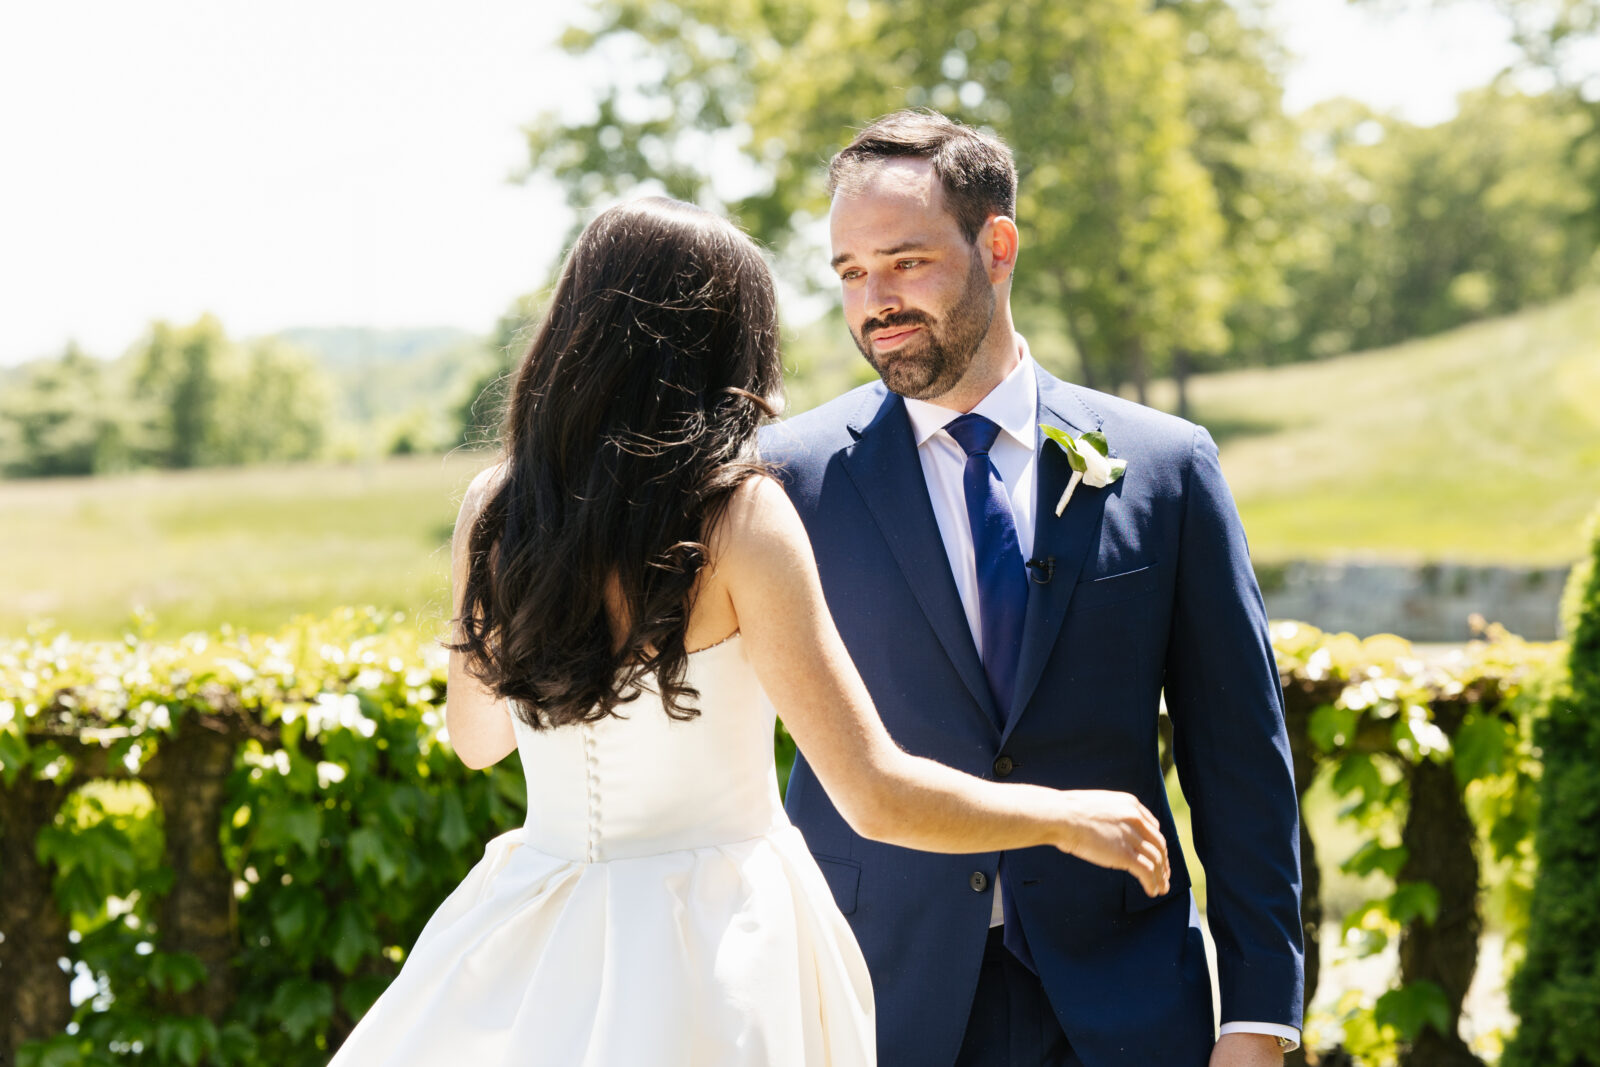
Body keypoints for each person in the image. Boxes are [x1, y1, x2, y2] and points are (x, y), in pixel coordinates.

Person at [328, 196, 1173, 1066]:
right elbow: (874, 794)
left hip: (538, 925)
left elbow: (475, 739)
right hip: (721, 943)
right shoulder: (738, 516)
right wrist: (1062, 815)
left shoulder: (496, 508)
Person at [760, 111, 1304, 1067]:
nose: (874, 302)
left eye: (906, 262)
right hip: (872, 996)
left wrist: (1258, 1017)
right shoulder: (786, 481)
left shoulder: (1167, 467)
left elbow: (1239, 756)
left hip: (1124, 1000)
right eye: (851, 273)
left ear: (996, 244)